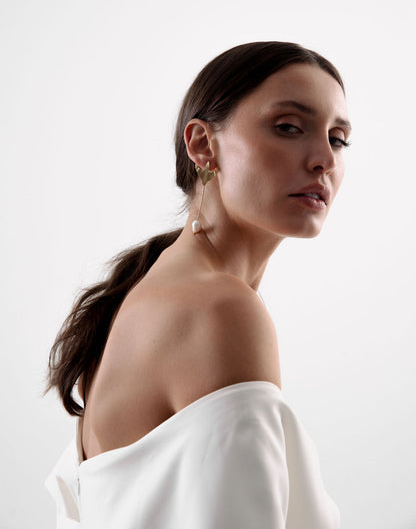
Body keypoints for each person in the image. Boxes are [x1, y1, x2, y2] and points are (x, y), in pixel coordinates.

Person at [45, 41, 351, 528]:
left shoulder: (145, 291)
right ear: (203, 145)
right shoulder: (220, 307)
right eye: (289, 127)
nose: (324, 159)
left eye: (338, 138)